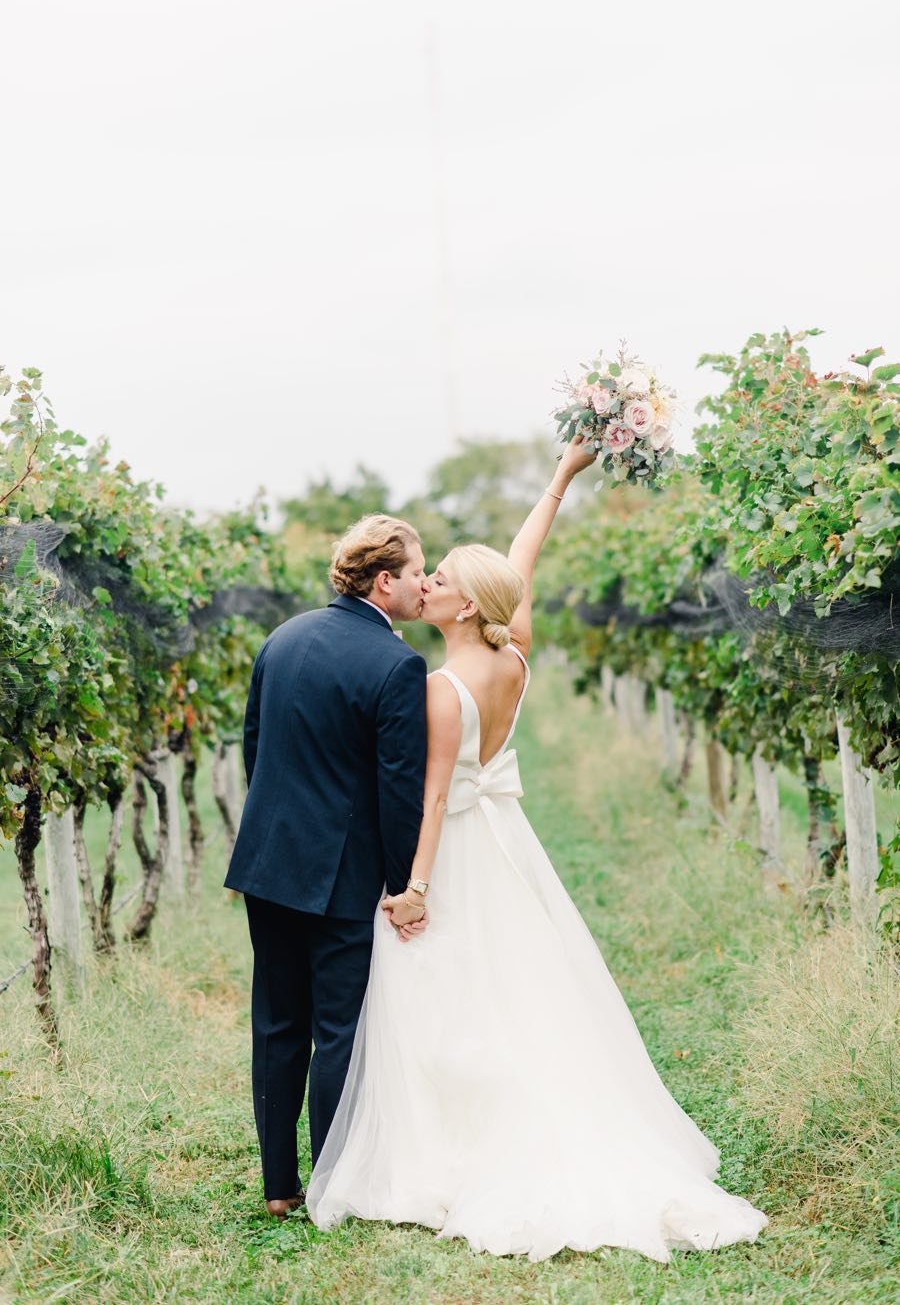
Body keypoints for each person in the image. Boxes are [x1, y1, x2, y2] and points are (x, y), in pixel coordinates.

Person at [306, 442, 768, 1263]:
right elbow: (518, 570)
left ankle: (448, 1148)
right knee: (515, 977)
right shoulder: (511, 655)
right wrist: (559, 481)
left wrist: (412, 888)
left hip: (456, 849)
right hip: (507, 843)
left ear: (456, 610)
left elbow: (437, 798)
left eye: (441, 578)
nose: (429, 583)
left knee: (440, 983)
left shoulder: (441, 690)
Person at [225, 514, 431, 1218]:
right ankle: (332, 1184)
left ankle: (279, 1186)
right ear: (384, 580)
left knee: (278, 1021)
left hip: (266, 861)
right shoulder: (397, 664)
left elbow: (254, 746)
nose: (423, 583)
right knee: (338, 1027)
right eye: (415, 573)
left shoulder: (281, 637)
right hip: (341, 873)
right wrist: (406, 884)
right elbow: (400, 789)